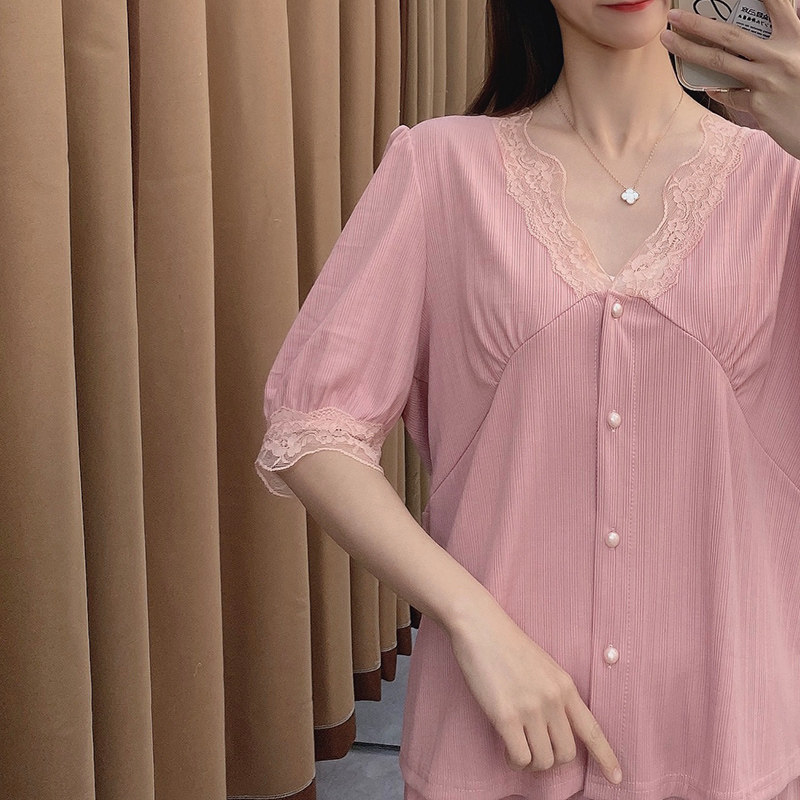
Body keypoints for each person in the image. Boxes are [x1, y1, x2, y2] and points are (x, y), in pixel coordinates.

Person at [254, 0, 800, 797]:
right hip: (495, 743)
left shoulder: (783, 181)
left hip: (729, 738)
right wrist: (472, 620)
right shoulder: (441, 168)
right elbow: (312, 424)